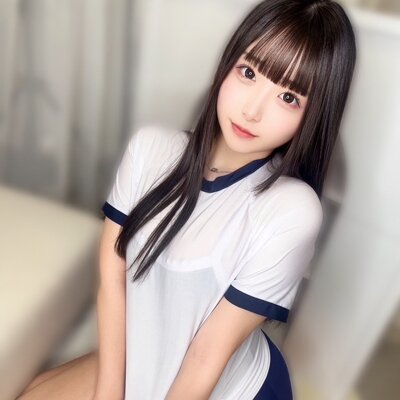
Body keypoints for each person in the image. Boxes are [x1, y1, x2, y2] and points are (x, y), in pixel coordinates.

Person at [17, 0, 356, 399]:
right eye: (248, 72)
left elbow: (206, 356)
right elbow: (112, 275)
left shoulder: (291, 211)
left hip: (223, 388)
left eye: (289, 98)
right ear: (227, 64)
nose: (252, 110)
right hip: (145, 359)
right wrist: (109, 392)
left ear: (314, 115)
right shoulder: (151, 151)